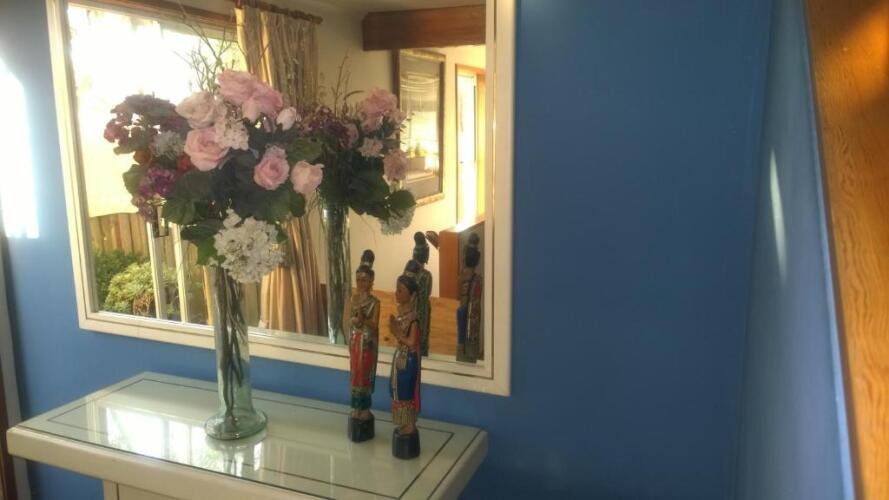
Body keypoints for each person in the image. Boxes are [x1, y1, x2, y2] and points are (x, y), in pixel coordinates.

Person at [389, 260, 422, 458]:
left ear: (411, 295)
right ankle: (404, 423)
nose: (397, 293)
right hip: (400, 358)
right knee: (397, 391)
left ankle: (409, 425)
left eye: (400, 291)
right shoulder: (403, 316)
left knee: (406, 393)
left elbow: (412, 341)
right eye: (397, 290)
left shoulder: (413, 319)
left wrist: (396, 332)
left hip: (408, 360)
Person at [348, 250, 380, 442]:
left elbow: (374, 325)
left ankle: (364, 409)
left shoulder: (374, 302)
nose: (361, 283)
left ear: (371, 281)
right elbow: (350, 320)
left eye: (365, 280)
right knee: (355, 375)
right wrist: (355, 321)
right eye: (358, 280)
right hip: (355, 341)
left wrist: (363, 320)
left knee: (364, 376)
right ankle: (356, 408)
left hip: (367, 343)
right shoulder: (353, 299)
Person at [457, 233, 483, 363]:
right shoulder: (475, 279)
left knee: (465, 346)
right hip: (468, 314)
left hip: (468, 313)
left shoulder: (464, 277)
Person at [411, 232, 433, 356]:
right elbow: (427, 293)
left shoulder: (407, 273)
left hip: (410, 312)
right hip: (421, 312)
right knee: (421, 340)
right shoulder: (427, 276)